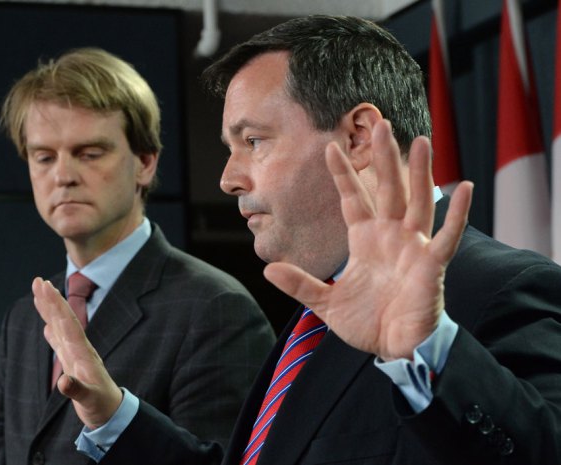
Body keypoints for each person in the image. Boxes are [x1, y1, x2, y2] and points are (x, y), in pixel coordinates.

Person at [28, 16, 561, 465]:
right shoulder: (319, 307)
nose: (228, 179)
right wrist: (112, 415)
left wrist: (428, 349)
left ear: (358, 137)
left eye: (253, 140)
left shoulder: (504, 289)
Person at [0, 47, 275, 465]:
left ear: (145, 163)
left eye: (89, 153)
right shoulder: (24, 319)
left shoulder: (216, 309)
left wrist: (111, 418)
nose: (62, 175)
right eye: (44, 157)